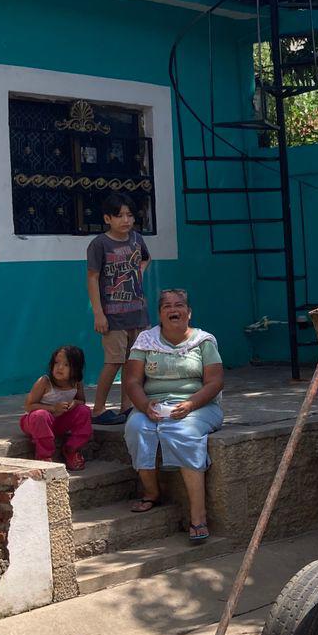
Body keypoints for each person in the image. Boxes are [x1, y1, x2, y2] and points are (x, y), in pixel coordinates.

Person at [123, 290, 224, 543]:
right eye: (167, 306)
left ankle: (198, 516)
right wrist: (145, 405)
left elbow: (215, 382)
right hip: (154, 405)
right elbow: (132, 381)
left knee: (182, 432)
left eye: (179, 305)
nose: (173, 309)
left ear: (189, 313)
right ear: (160, 314)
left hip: (200, 406)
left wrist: (190, 405)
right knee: (137, 427)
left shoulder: (204, 342)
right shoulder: (146, 340)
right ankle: (151, 493)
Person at [87, 196, 151, 425]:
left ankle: (127, 405)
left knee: (133, 362)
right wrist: (98, 313)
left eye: (130, 215)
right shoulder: (99, 244)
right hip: (112, 315)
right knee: (113, 362)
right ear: (107, 218)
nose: (126, 220)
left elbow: (145, 259)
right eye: (120, 215)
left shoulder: (136, 239)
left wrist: (138, 276)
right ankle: (98, 409)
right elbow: (92, 278)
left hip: (137, 313)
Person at [19, 345, 92, 469]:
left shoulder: (76, 382)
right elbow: (29, 406)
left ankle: (71, 449)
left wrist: (74, 403)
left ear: (76, 368)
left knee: (84, 411)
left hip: (59, 422)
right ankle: (44, 456)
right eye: (57, 363)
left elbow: (82, 401)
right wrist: (53, 408)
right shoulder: (44, 382)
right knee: (40, 415)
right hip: (36, 423)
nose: (59, 367)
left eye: (66, 365)